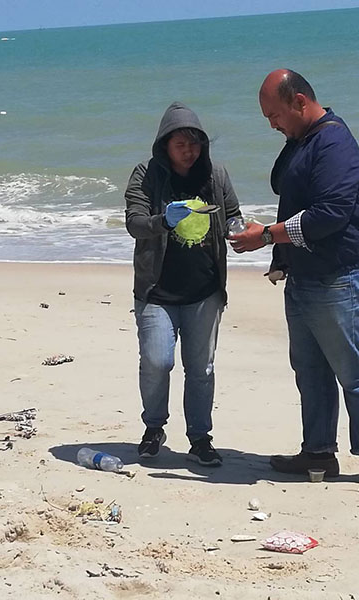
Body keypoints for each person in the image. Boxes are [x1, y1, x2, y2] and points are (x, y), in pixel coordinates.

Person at [230, 70, 359, 492]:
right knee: (310, 369)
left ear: (300, 101)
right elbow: (290, 190)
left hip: (343, 275)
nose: (272, 124)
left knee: (355, 370)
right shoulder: (302, 140)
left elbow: (331, 214)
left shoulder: (335, 142)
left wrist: (267, 235)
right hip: (305, 276)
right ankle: (319, 451)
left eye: (276, 115)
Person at [125, 102, 242, 467]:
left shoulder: (216, 175)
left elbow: (233, 214)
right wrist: (164, 220)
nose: (189, 152)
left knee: (201, 368)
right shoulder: (146, 175)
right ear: (165, 145)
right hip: (157, 291)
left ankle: (200, 437)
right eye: (181, 145)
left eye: (195, 144)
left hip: (204, 291)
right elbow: (134, 223)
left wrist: (240, 231)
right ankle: (153, 427)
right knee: (157, 361)